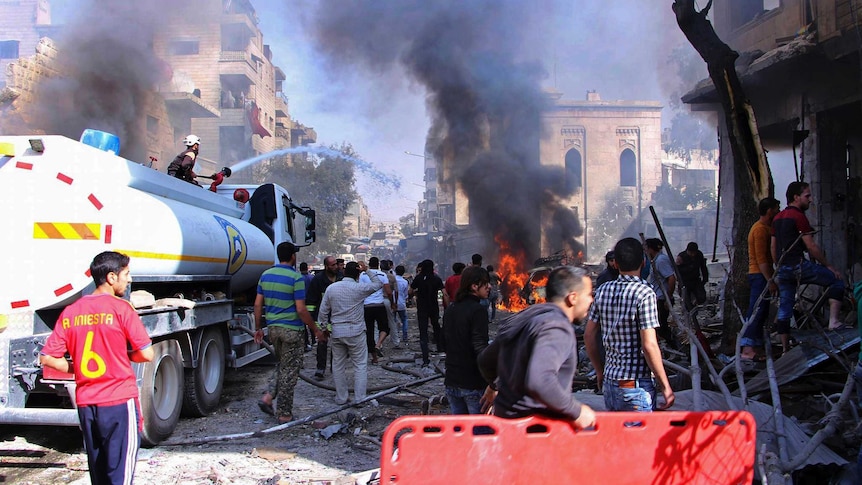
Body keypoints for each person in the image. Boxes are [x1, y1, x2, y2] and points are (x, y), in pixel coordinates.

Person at [40, 251, 154, 485]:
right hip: (119, 401)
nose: (129, 280)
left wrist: (78, 369)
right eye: (127, 274)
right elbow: (147, 353)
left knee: (99, 474)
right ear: (112, 277)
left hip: (87, 404)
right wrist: (121, 356)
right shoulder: (122, 309)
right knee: (120, 475)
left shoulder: (71, 312)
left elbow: (48, 358)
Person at [476, 266, 596, 428]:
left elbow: (485, 360)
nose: (591, 300)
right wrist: (576, 411)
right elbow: (541, 380)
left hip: (507, 426)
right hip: (537, 431)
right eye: (588, 294)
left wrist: (494, 386)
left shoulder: (525, 318)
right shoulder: (556, 326)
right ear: (573, 298)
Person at [585, 238, 676, 412]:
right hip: (635, 387)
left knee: (618, 438)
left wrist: (599, 370)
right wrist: (665, 386)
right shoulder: (645, 293)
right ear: (643, 262)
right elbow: (649, 345)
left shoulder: (603, 290)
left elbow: (589, 335)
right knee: (640, 438)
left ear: (616, 263)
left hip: (610, 384)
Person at [253, 242, 326, 423]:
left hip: (273, 330)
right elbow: (301, 309)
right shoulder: (296, 278)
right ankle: (284, 414)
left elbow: (257, 305)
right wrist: (315, 329)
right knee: (290, 372)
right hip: (292, 330)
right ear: (293, 256)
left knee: (282, 365)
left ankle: (268, 397)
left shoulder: (266, 275)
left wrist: (257, 329)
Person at [772, 181, 846, 351]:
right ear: (796, 197)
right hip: (798, 266)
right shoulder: (798, 216)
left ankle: (784, 349)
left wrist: (778, 266)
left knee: (785, 307)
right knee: (836, 281)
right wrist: (829, 266)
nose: (810, 200)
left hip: (783, 268)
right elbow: (811, 246)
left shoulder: (777, 218)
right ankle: (834, 322)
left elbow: (772, 247)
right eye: (807, 196)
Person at [318, 261, 385, 405]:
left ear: (344, 273)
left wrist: (324, 329)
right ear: (358, 274)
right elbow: (378, 284)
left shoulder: (332, 288)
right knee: (360, 365)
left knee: (338, 365)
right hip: (356, 331)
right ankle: (360, 398)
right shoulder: (359, 288)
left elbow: (323, 311)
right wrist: (367, 270)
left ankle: (341, 398)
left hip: (337, 331)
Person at [443, 266, 492, 414]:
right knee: (479, 434)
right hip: (473, 384)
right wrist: (493, 380)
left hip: (452, 381)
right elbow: (479, 347)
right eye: (486, 283)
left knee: (460, 434)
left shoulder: (451, 308)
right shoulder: (478, 311)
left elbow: (444, 342)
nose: (489, 287)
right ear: (474, 286)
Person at [740, 197, 781, 361]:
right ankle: (747, 348)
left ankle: (754, 346)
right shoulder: (759, 230)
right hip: (759, 275)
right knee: (756, 311)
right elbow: (761, 259)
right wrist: (770, 280)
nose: (778, 211)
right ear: (770, 210)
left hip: (762, 275)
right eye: (777, 208)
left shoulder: (766, 228)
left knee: (762, 310)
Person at [306, 256, 340, 380]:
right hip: (323, 318)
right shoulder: (318, 280)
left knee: (338, 346)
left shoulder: (341, 278)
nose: (336, 267)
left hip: (338, 317)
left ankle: (335, 368)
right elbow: (311, 301)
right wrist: (313, 321)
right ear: (326, 267)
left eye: (336, 264)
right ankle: (320, 368)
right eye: (332, 265)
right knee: (322, 344)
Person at [410, 259, 448, 366]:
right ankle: (441, 349)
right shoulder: (436, 278)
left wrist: (413, 295)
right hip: (433, 307)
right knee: (436, 327)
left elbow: (410, 291)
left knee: (423, 332)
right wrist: (448, 307)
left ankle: (425, 358)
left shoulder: (418, 278)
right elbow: (444, 294)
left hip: (422, 308)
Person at [644, 238, 679, 349]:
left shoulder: (661, 261)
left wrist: (667, 298)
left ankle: (673, 347)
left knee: (661, 326)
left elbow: (671, 278)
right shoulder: (655, 260)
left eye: (646, 248)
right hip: (658, 298)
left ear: (650, 249)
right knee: (659, 325)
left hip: (662, 299)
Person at [358, 257, 392, 364]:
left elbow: (360, 289)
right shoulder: (382, 275)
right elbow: (388, 291)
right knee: (385, 328)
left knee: (369, 332)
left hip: (367, 306)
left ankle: (374, 358)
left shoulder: (363, 275)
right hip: (379, 305)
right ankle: (378, 345)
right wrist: (393, 303)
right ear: (378, 264)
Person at [676, 242, 709, 311]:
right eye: (691, 252)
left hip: (696, 280)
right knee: (686, 300)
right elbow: (677, 270)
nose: (692, 255)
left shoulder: (699, 255)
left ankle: (695, 303)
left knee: (701, 297)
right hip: (685, 281)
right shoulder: (681, 257)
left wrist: (705, 279)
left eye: (694, 253)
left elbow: (703, 267)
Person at [394, 265, 410, 343]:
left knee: (393, 321)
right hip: (401, 303)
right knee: (404, 320)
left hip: (392, 302)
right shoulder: (405, 282)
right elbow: (406, 294)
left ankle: (395, 337)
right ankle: (405, 336)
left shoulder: (392, 280)